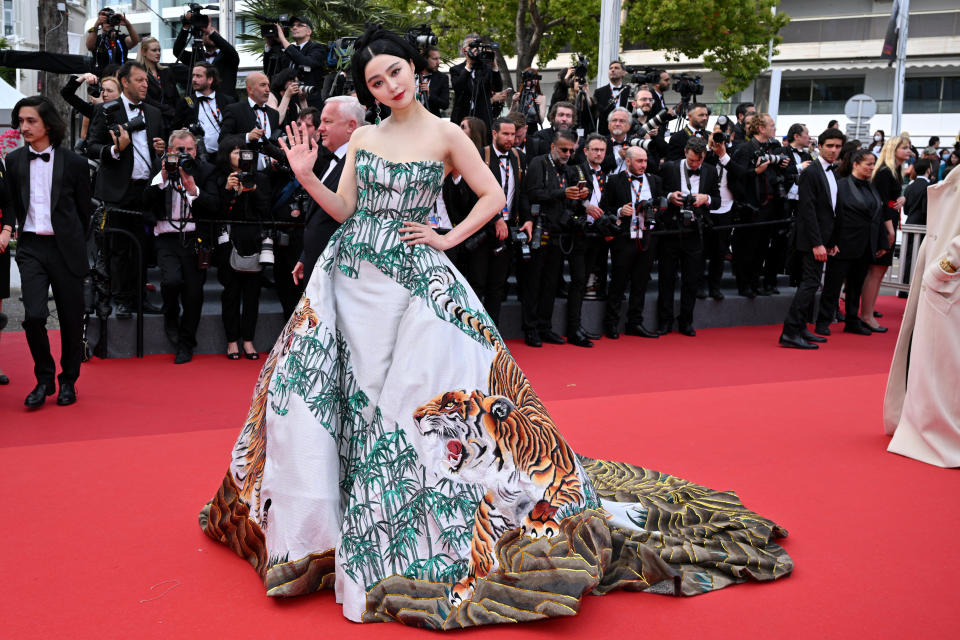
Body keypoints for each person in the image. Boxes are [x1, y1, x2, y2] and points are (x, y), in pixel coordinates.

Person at [198, 25, 793, 628]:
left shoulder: (446, 132)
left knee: (408, 399)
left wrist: (447, 238)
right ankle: (320, 527)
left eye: (396, 72)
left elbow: (490, 198)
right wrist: (304, 175)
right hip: (346, 280)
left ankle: (404, 526)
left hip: (413, 284)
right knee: (318, 399)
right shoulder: (365, 138)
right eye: (376, 81)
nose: (389, 86)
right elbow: (347, 209)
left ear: (414, 70)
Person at [4, 96, 92, 407]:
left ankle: (68, 380)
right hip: (31, 249)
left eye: (30, 121)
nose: (23, 126)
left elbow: (85, 212)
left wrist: (76, 243)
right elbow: (13, 202)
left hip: (66, 249)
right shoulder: (13, 161)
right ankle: (44, 378)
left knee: (70, 319)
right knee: (33, 316)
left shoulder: (76, 163)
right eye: (21, 121)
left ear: (48, 125)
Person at [884, 166, 960, 467]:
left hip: (948, 276)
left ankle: (937, 430)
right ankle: (925, 423)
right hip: (944, 273)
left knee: (941, 360)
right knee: (934, 357)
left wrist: (945, 266)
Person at [86, 61, 167, 319]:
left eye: (146, 80)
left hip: (147, 190)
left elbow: (158, 151)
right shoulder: (107, 110)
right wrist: (114, 150)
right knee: (119, 248)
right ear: (125, 82)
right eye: (140, 80)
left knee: (143, 247)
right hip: (118, 190)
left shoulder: (153, 113)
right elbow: (91, 146)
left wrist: (161, 150)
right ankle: (121, 300)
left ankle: (140, 298)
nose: (146, 84)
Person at [142, 130, 218, 364]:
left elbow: (216, 205)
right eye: (178, 150)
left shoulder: (206, 171)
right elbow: (143, 202)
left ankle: (186, 343)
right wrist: (162, 179)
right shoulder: (158, 167)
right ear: (169, 151)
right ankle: (170, 315)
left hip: (195, 239)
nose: (184, 154)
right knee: (171, 281)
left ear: (196, 151)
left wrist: (193, 190)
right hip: (166, 237)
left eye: (188, 150)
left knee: (194, 294)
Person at [779, 127, 845, 349]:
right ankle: (790, 331)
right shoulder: (811, 172)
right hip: (810, 240)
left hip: (822, 239)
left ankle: (799, 328)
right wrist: (818, 243)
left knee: (810, 283)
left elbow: (833, 210)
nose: (834, 150)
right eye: (829, 146)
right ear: (819, 147)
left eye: (837, 147)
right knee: (810, 284)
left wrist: (832, 242)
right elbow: (807, 211)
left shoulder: (832, 173)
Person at [292, 98, 364, 286]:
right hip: (316, 263)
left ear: (351, 126)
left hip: (339, 273)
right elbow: (319, 215)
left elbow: (351, 220)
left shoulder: (360, 163)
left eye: (327, 122)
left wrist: (304, 175)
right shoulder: (333, 160)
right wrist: (306, 256)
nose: (320, 128)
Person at [814, 150, 886, 337]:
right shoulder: (842, 185)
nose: (871, 168)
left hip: (865, 245)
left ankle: (852, 320)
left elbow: (877, 217)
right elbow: (833, 215)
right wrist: (831, 241)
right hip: (842, 244)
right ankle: (823, 321)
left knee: (856, 286)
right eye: (868, 164)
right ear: (855, 164)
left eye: (873, 164)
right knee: (832, 286)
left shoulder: (872, 187)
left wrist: (880, 242)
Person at [215, 135, 272, 360]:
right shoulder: (220, 178)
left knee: (252, 294)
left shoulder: (261, 178)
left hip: (254, 240)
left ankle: (248, 340)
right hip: (228, 241)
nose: (240, 156)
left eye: (244, 152)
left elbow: (267, 209)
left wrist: (254, 189)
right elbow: (216, 210)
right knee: (230, 293)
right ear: (227, 156)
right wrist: (229, 190)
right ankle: (231, 341)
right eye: (235, 152)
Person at [657, 138, 721, 336]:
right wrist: (669, 197)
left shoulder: (710, 170)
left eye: (699, 161)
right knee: (666, 278)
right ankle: (665, 321)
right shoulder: (669, 167)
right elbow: (656, 192)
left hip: (695, 231)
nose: (695, 164)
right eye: (692, 160)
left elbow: (718, 201)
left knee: (691, 279)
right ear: (685, 152)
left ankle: (686, 321)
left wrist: (706, 198)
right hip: (670, 231)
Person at [599, 145, 664, 338]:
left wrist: (653, 212)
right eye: (639, 161)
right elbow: (604, 208)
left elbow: (661, 209)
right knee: (618, 283)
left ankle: (635, 323)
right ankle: (611, 324)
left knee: (640, 283)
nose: (644, 165)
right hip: (624, 239)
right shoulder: (613, 181)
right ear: (627, 162)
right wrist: (620, 211)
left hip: (646, 238)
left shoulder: (654, 181)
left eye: (645, 161)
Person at [862, 135, 910, 332]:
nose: (909, 151)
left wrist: (902, 198)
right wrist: (889, 229)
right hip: (881, 225)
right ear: (893, 149)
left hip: (886, 223)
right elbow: (881, 203)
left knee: (879, 271)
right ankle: (866, 315)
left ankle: (868, 312)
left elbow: (890, 198)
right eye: (905, 148)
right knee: (876, 270)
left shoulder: (894, 172)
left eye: (909, 148)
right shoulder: (884, 172)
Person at [172, 63, 235, 161]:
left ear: (210, 80)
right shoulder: (186, 101)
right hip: (197, 158)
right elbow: (174, 128)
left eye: (198, 76)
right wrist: (181, 132)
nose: (194, 79)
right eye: (193, 75)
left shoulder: (227, 101)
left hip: (224, 157)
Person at [172, 17, 240, 99]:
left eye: (214, 33)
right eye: (206, 34)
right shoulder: (196, 56)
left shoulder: (228, 56)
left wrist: (210, 32)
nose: (210, 35)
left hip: (225, 103)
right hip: (200, 102)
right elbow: (178, 51)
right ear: (202, 40)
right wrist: (186, 27)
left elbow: (230, 50)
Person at [449, 34, 503, 133]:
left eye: (478, 47)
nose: (476, 50)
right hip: (462, 118)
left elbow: (497, 87)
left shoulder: (486, 68)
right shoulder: (456, 70)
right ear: (464, 50)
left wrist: (494, 67)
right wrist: (469, 65)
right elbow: (458, 87)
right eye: (472, 47)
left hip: (483, 119)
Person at [593, 60, 632, 136]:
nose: (613, 70)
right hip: (605, 134)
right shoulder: (599, 92)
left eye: (616, 68)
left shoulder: (629, 90)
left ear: (624, 73)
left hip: (626, 134)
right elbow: (596, 114)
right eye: (611, 68)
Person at [419, 46, 450, 117]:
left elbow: (445, 104)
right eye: (435, 59)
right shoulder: (412, 75)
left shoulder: (442, 78)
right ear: (425, 59)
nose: (438, 62)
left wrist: (430, 95)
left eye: (439, 59)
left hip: (432, 121)